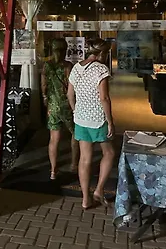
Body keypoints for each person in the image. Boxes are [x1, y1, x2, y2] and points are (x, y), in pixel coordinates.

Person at [67, 38, 115, 209]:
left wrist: (76, 111)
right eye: (106, 53)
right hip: (98, 119)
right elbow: (104, 98)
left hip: (80, 119)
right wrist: (110, 121)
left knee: (85, 159)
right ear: (100, 53)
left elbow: (69, 94)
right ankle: (99, 190)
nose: (106, 56)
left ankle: (85, 199)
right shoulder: (101, 69)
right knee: (109, 153)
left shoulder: (76, 67)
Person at [41, 38, 79, 180]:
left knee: (54, 139)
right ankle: (73, 165)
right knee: (75, 134)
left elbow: (44, 85)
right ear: (65, 50)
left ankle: (53, 171)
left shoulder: (47, 65)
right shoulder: (68, 66)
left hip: (53, 106)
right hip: (67, 105)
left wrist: (45, 98)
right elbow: (72, 87)